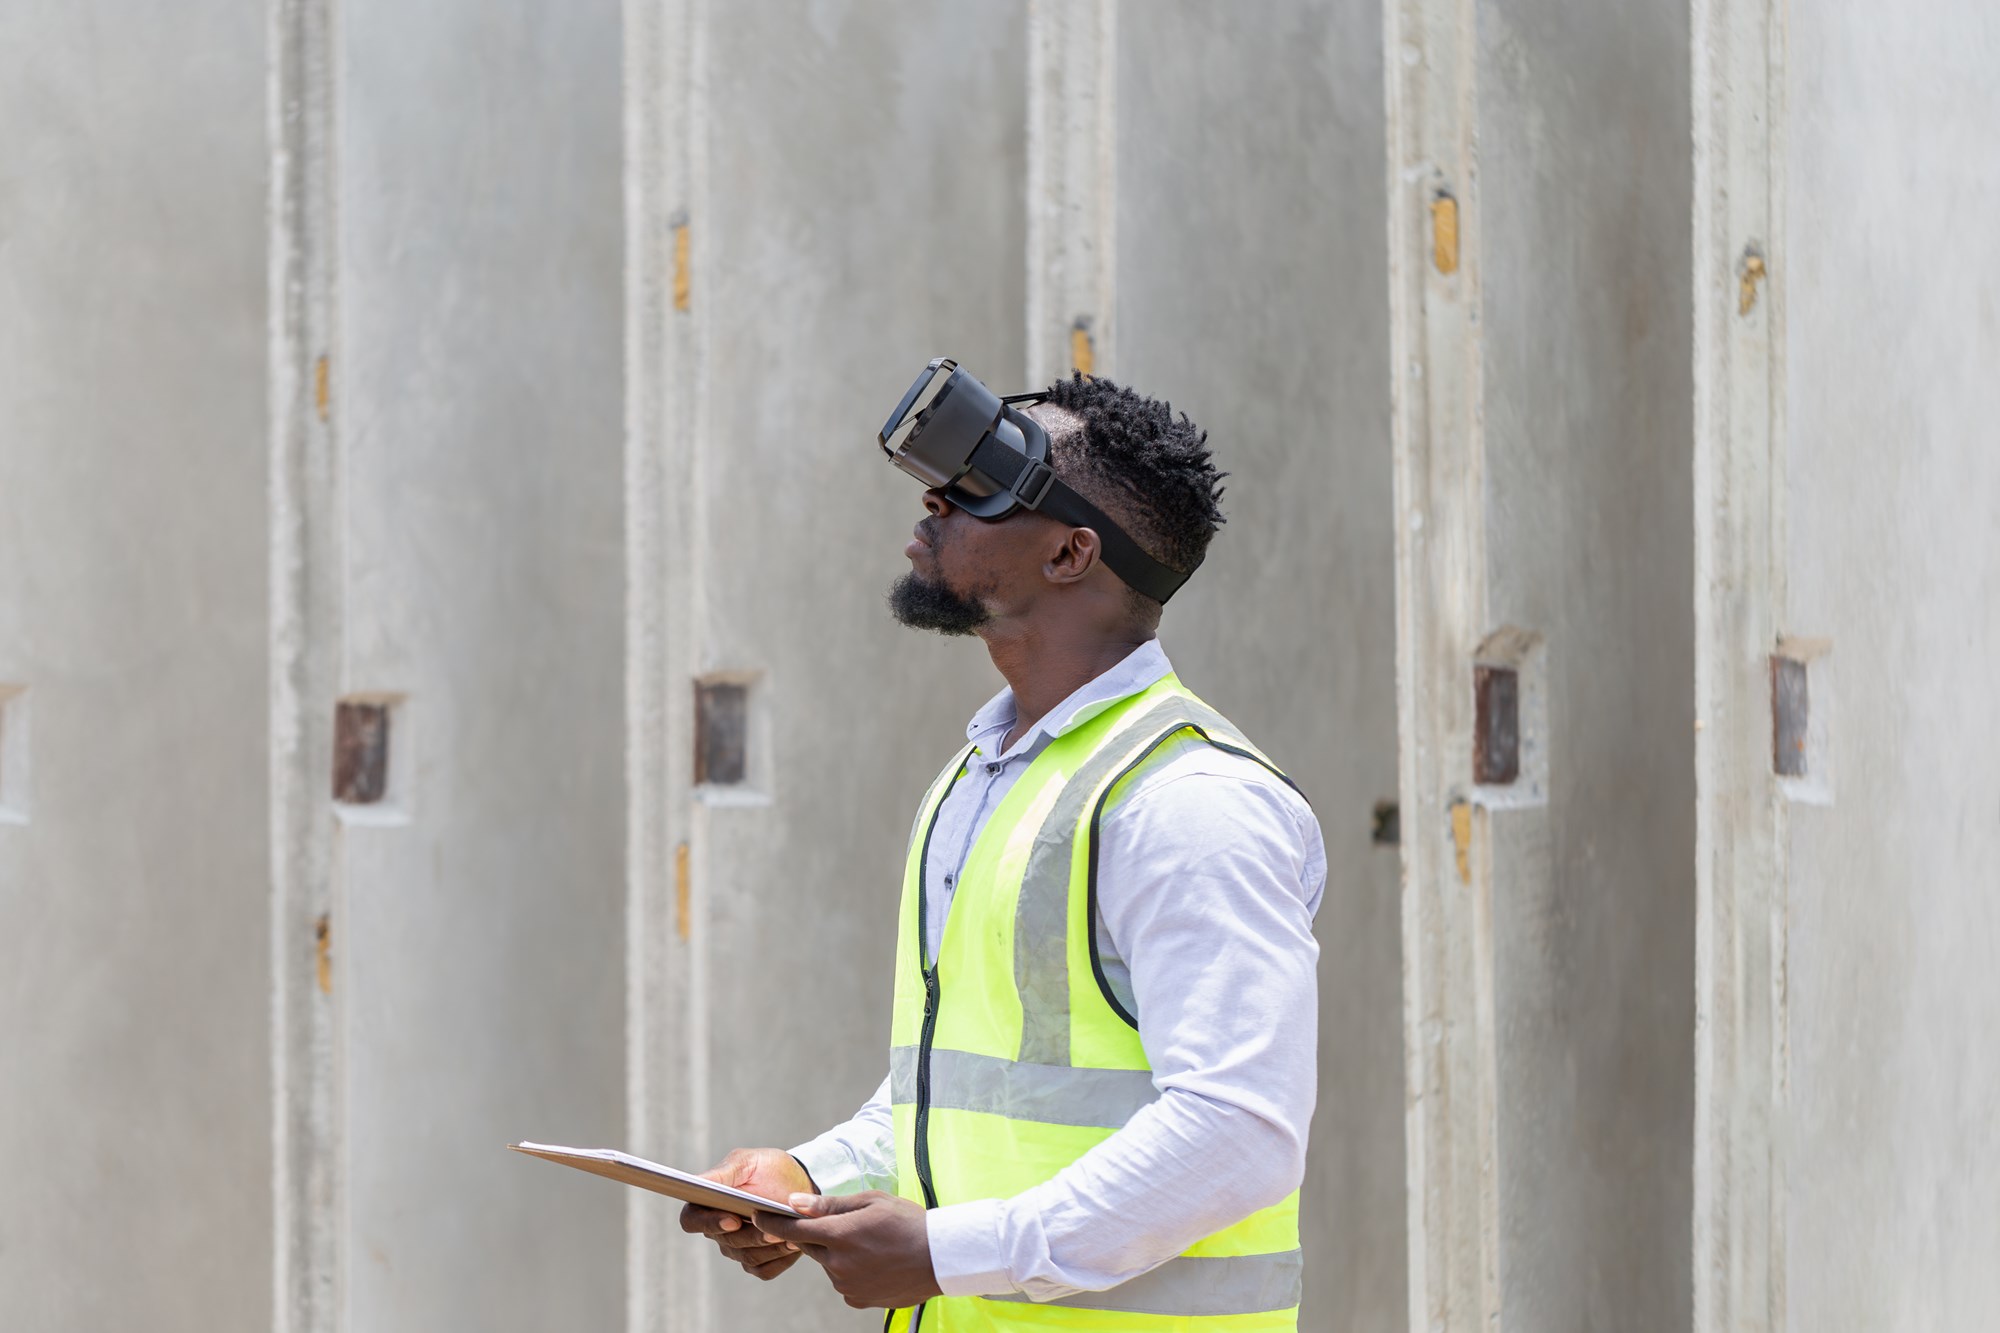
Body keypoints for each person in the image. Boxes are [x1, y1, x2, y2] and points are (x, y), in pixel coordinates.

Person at [679, 371, 1325, 1331]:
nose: (933, 502)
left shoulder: (1189, 802)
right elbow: (978, 1093)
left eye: (982, 484)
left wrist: (947, 1251)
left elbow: (1240, 1130)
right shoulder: (984, 776)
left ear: (1070, 551)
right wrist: (812, 1177)